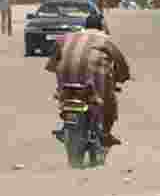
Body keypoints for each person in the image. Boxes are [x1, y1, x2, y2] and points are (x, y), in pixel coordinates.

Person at [46, 13, 130, 147]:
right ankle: (106, 134)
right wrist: (123, 77)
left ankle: (65, 127)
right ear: (102, 26)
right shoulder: (104, 39)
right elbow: (120, 63)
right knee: (110, 102)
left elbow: (51, 65)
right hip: (94, 79)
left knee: (65, 98)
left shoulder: (67, 37)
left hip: (66, 80)